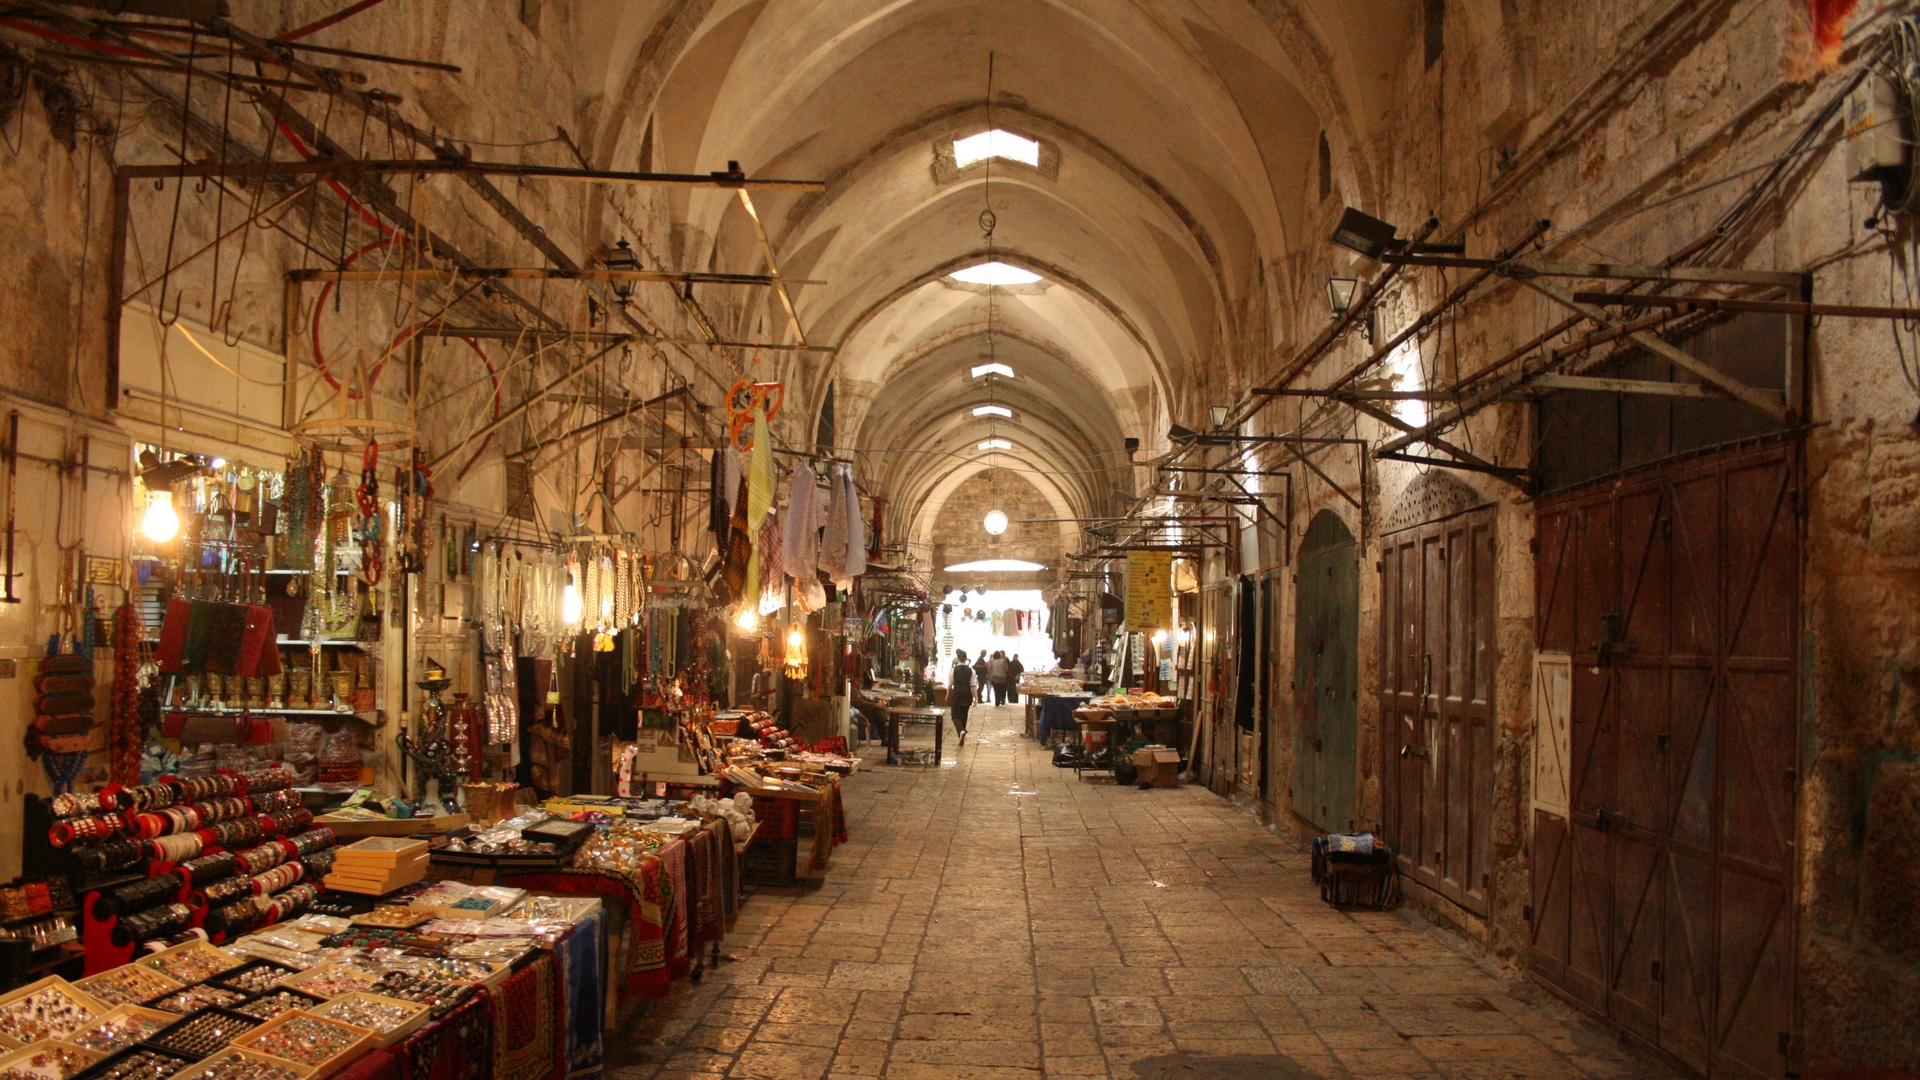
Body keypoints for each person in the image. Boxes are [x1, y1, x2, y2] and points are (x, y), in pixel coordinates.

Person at [949, 650, 973, 745]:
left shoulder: (954, 670)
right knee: (964, 715)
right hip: (967, 694)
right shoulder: (971, 670)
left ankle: (961, 731)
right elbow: (973, 685)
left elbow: (950, 684)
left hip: (957, 694)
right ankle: (961, 734)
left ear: (958, 658)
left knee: (955, 715)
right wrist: (976, 698)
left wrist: (947, 696)